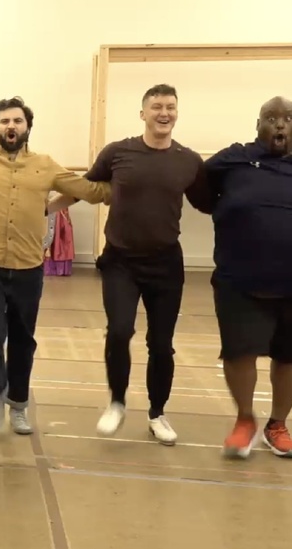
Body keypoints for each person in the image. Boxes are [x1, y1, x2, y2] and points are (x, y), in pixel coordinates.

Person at [55, 84, 213, 445]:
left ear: (176, 113)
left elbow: (208, 203)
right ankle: (116, 402)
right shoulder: (117, 152)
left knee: (162, 344)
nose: (164, 113)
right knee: (119, 330)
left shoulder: (188, 161)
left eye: (170, 107)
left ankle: (157, 413)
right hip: (120, 262)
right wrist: (44, 210)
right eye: (156, 107)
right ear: (143, 113)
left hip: (166, 264)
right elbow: (84, 188)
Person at [205, 96, 292, 459]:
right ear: (258, 125)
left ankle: (277, 425)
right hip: (240, 281)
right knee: (240, 351)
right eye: (271, 118)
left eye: (288, 118)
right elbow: (200, 191)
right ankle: (244, 420)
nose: (279, 124)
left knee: (291, 355)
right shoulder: (233, 160)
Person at [0, 96, 110, 436]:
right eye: (4, 121)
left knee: (22, 340)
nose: (11, 126)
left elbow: (87, 190)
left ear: (27, 126)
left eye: (17, 120)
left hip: (28, 268)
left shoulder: (46, 165)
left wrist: (125, 180)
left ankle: (18, 405)